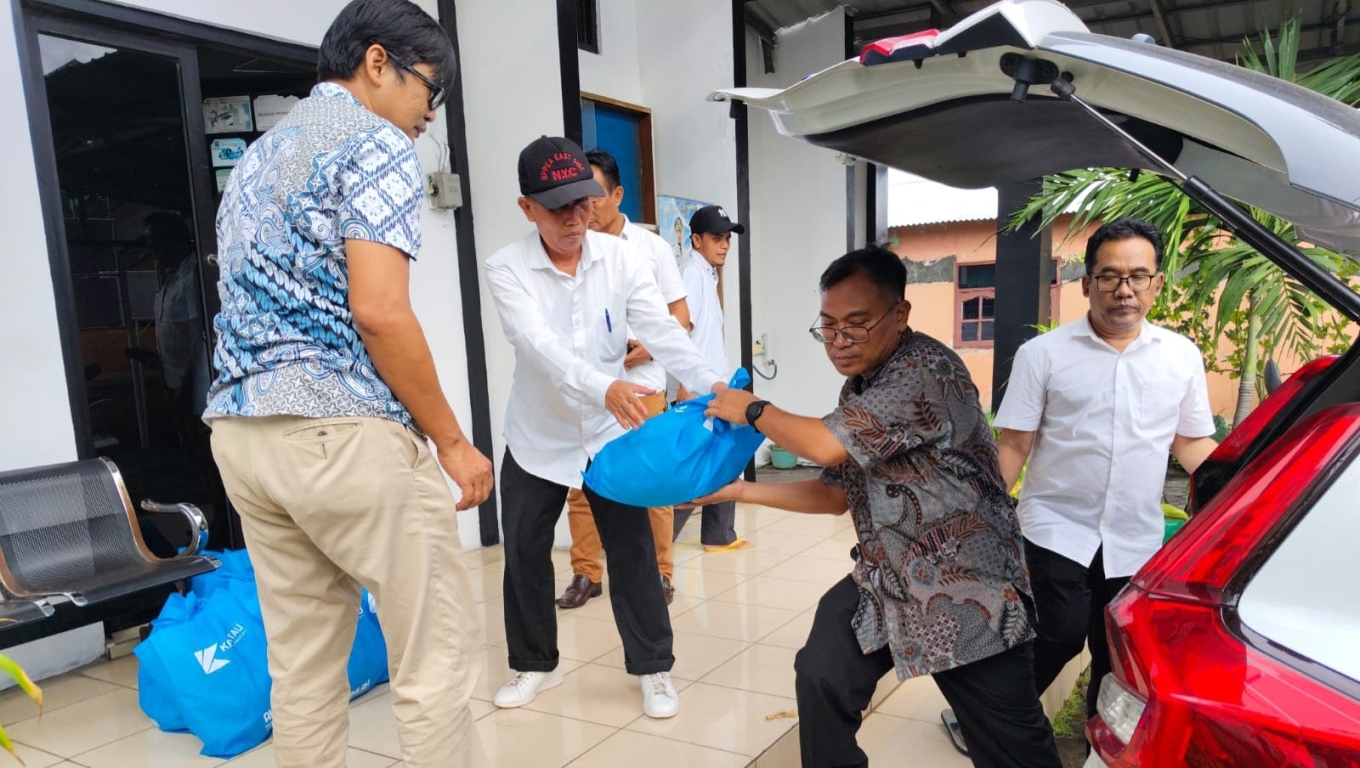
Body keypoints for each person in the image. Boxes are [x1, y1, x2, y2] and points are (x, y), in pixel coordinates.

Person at [203, 2, 493, 766]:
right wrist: (453, 443)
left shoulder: (259, 156)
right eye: (430, 90)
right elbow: (379, 311)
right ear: (377, 62)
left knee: (301, 668)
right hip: (340, 431)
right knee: (432, 659)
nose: (430, 114)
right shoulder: (377, 141)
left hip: (243, 436)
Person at [695, 244, 1063, 768]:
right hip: (886, 579)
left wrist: (753, 409)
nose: (839, 342)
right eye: (828, 327)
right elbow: (833, 494)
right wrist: (736, 491)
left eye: (856, 325)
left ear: (900, 314)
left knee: (1013, 748)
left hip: (968, 588)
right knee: (823, 674)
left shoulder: (923, 370)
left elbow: (823, 445)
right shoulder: (861, 388)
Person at [484, 136, 725, 719]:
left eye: (583, 202)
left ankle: (654, 668)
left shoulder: (622, 258)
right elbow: (538, 347)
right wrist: (605, 386)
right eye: (557, 208)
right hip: (539, 436)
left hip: (611, 434)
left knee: (633, 551)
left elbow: (661, 329)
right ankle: (535, 663)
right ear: (527, 208)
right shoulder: (506, 267)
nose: (575, 218)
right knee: (524, 551)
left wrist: (711, 383)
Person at [990, 217, 1218, 722]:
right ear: (1087, 283)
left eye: (1138, 276)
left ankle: (1099, 734)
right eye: (1110, 276)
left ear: (1157, 283)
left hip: (1135, 533)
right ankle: (995, 717)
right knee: (1059, 632)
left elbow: (1190, 442)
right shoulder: (1042, 355)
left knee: (1116, 646)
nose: (1124, 289)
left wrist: (1242, 488)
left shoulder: (1180, 356)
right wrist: (979, 521)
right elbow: (1014, 444)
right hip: (1056, 526)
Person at [555, 149, 691, 610]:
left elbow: (681, 319)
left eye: (593, 195)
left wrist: (649, 347)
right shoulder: (570, 249)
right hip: (590, 389)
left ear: (617, 194)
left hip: (642, 386)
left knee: (651, 483)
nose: (585, 207)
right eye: (576, 197)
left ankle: (661, 573)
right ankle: (586, 573)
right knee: (582, 484)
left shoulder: (651, 249)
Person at [671, 205, 752, 552]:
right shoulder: (692, 274)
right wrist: (685, 388)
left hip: (715, 384)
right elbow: (682, 331)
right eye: (717, 238)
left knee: (722, 458)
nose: (724, 245)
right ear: (696, 240)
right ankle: (659, 542)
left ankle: (718, 535)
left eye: (727, 239)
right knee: (694, 467)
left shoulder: (709, 274)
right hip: (698, 390)